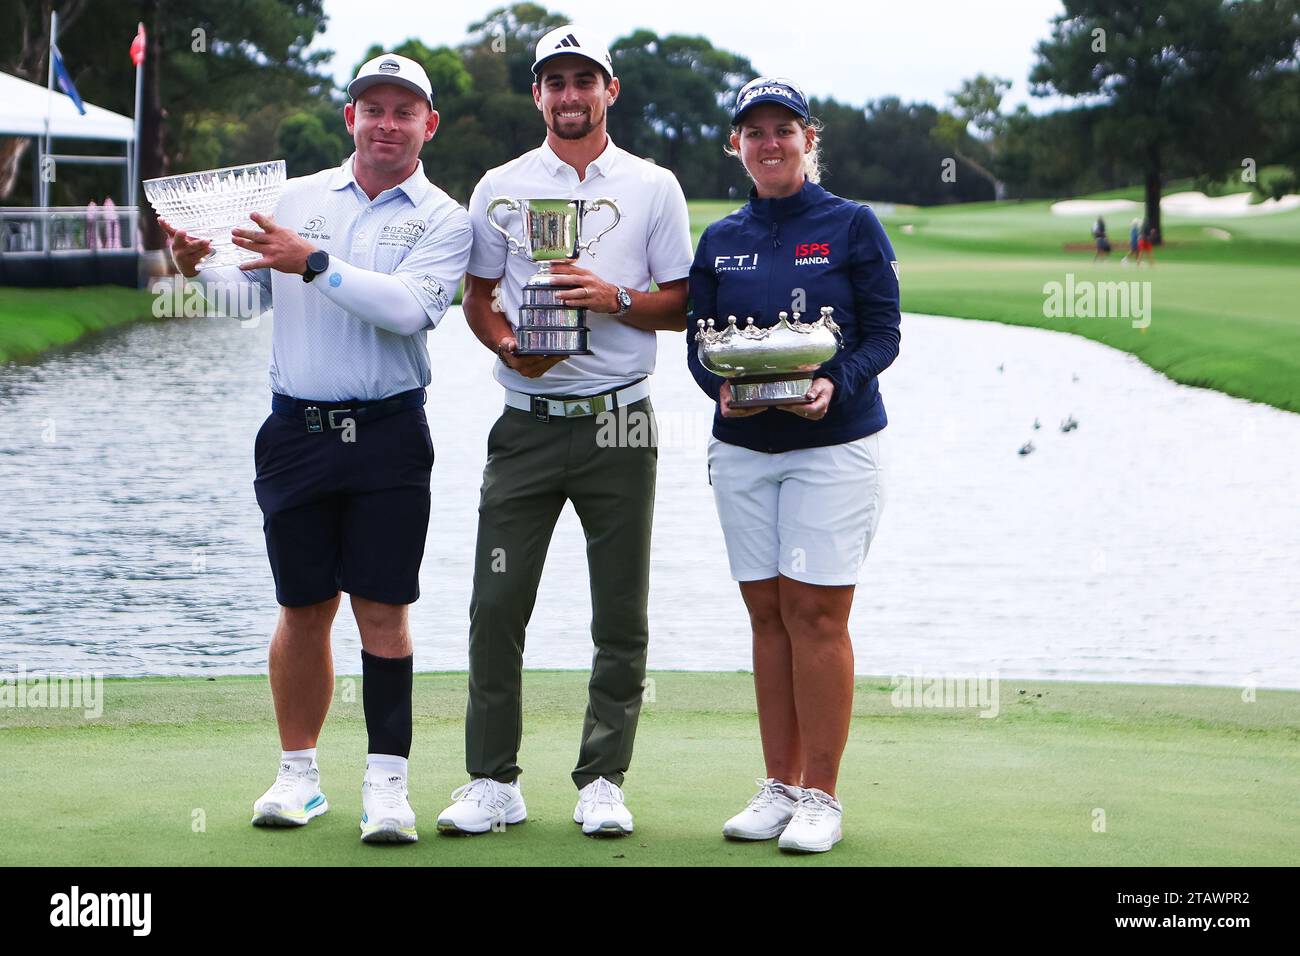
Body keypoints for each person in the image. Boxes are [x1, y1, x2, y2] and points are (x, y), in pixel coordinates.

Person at [159, 53, 472, 845]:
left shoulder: (444, 217)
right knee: (302, 609)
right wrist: (195, 268)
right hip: (295, 432)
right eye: (374, 108)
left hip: (389, 435)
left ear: (428, 126)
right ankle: (298, 777)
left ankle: (387, 786)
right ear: (351, 120)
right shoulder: (293, 200)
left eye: (405, 111)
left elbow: (407, 311)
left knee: (382, 611)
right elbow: (247, 295)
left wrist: (318, 262)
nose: (388, 123)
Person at [435, 25, 692, 838]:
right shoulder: (499, 186)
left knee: (620, 611)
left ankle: (603, 778)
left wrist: (611, 297)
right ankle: (492, 780)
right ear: (538, 94)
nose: (571, 95)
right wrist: (510, 345)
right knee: (496, 606)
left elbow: (682, 304)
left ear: (609, 91)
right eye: (556, 81)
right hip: (526, 421)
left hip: (620, 418)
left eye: (586, 80)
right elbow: (479, 297)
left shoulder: (652, 186)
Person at [686, 77, 900, 853]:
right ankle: (778, 787)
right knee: (768, 615)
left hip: (833, 448)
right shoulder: (718, 238)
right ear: (735, 145)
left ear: (810, 138)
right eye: (754, 131)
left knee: (815, 615)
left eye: (784, 129)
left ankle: (821, 795)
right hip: (744, 452)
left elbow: (882, 335)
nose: (769, 142)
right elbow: (700, 346)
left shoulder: (851, 225)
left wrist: (831, 381)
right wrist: (720, 391)